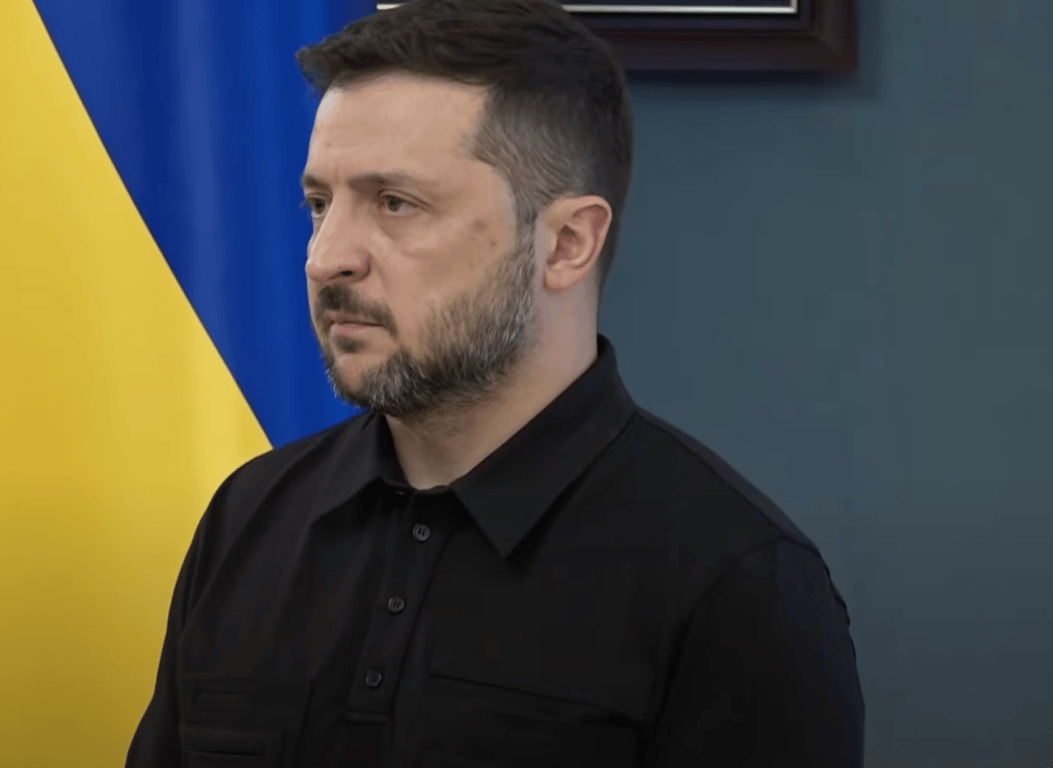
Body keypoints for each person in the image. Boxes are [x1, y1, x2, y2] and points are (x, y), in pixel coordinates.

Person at [126, 0, 865, 765]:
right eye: (319, 204)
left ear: (567, 243)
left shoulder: (735, 582)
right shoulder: (248, 520)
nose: (325, 258)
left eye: (395, 204)